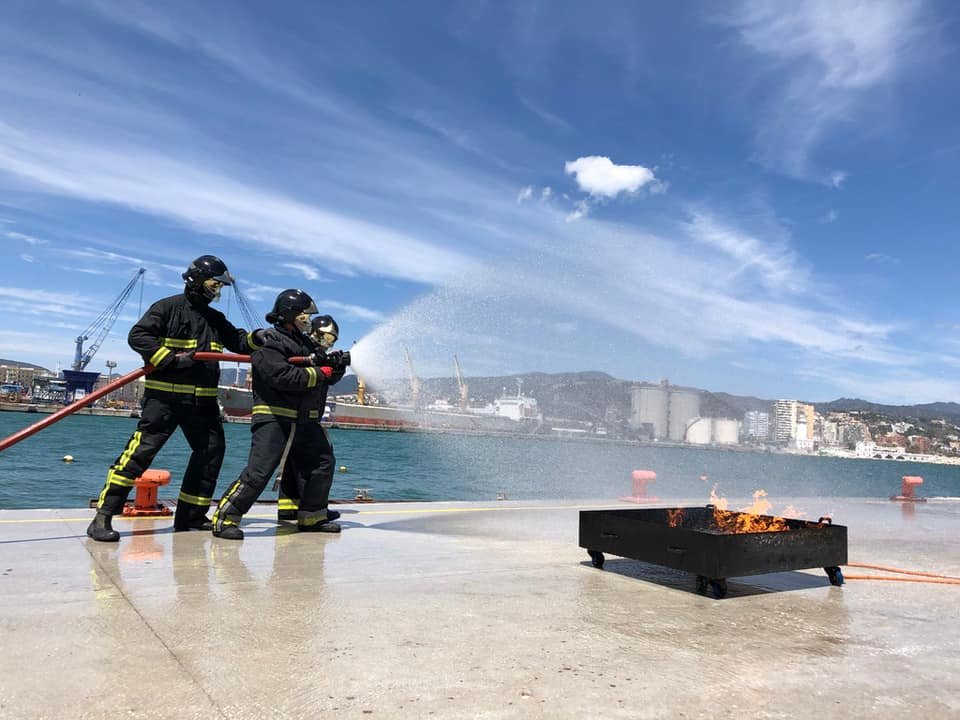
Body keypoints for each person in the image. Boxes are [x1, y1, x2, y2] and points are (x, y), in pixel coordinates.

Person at [87, 255, 264, 542]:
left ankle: (191, 516)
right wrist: (170, 359)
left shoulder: (215, 319)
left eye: (220, 286)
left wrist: (260, 338)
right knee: (139, 455)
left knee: (210, 453)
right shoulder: (166, 308)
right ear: (197, 281)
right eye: (214, 284)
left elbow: (239, 342)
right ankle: (102, 517)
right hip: (164, 402)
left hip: (203, 405)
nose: (217, 290)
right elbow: (138, 336)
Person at [212, 290, 346, 539]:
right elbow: (282, 376)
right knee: (259, 472)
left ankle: (312, 517)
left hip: (304, 419)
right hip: (275, 416)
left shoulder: (304, 344)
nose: (308, 320)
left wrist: (336, 367)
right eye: (305, 315)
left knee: (321, 464)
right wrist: (322, 372)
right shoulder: (271, 342)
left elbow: (323, 375)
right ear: (290, 314)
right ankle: (225, 518)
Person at [277, 314, 346, 521]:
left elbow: (329, 378)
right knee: (323, 462)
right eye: (326, 337)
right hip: (303, 417)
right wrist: (321, 363)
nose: (328, 343)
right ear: (314, 332)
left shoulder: (311, 352)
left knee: (294, 464)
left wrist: (338, 365)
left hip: (295, 417)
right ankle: (314, 512)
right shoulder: (306, 352)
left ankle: (289, 509)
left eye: (332, 340)